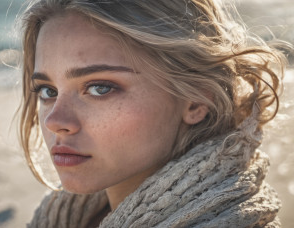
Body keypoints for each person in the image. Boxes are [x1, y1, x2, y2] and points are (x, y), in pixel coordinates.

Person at [18, 0, 291, 227]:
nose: (55, 121)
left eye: (100, 88)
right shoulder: (68, 216)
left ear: (196, 100)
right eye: (47, 91)